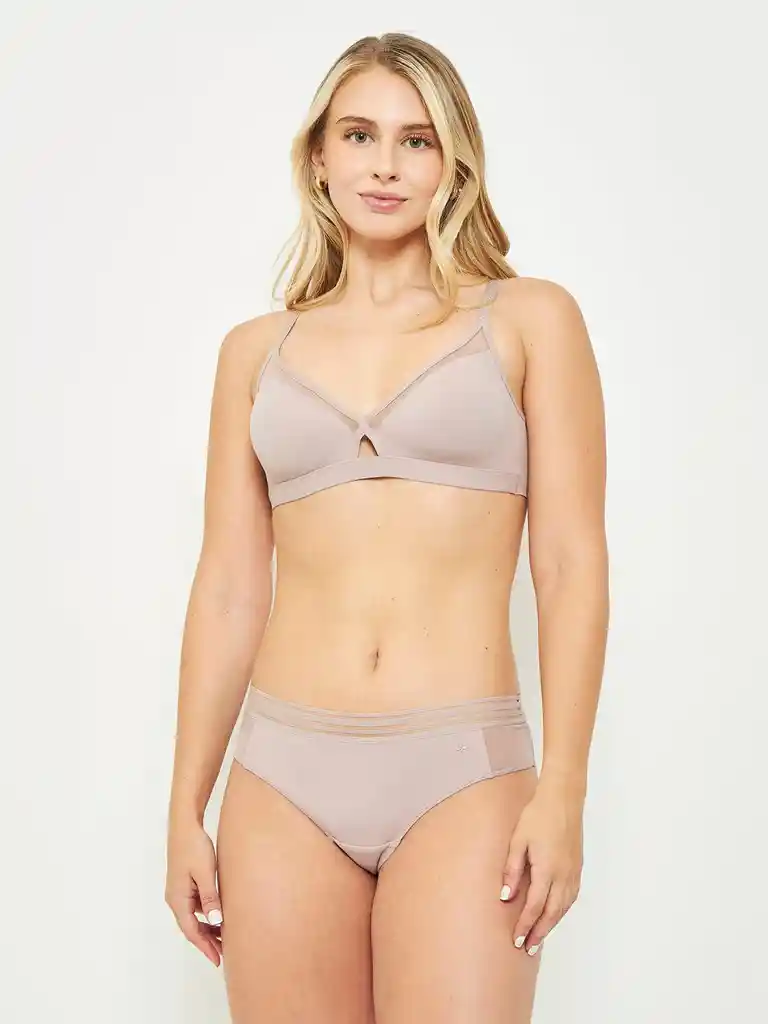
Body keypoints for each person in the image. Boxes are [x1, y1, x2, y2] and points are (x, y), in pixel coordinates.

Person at [165, 30, 609, 1024]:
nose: (385, 165)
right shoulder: (254, 352)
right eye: (360, 134)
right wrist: (184, 806)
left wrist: (565, 790)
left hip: (462, 769)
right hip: (280, 774)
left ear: (454, 162)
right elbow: (229, 586)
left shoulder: (529, 320)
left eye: (417, 140)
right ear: (319, 156)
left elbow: (571, 563)